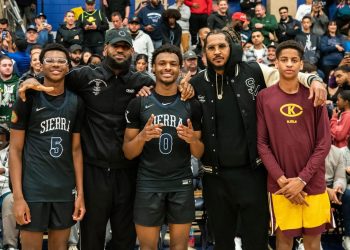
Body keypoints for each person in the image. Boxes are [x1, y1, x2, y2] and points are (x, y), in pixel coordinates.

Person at [17, 28, 192, 250]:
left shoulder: (143, 82)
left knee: (124, 237)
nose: (120, 51)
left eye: (125, 47)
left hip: (129, 171)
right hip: (93, 172)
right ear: (105, 48)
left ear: (132, 51)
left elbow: (170, 89)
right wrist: (31, 81)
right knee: (92, 236)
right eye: (115, 46)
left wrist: (187, 87)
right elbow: (54, 77)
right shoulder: (84, 76)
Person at [189, 29, 326, 250]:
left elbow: (287, 73)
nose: (216, 52)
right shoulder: (196, 83)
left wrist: (314, 79)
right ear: (204, 53)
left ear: (232, 49)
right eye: (211, 48)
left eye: (221, 47)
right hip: (215, 177)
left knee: (256, 241)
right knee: (222, 243)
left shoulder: (255, 71)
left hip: (252, 174)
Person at [123, 44, 203, 250]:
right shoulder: (138, 103)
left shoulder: (191, 104)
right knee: (148, 247)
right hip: (149, 183)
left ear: (180, 68)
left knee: (179, 247)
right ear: (153, 68)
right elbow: (128, 152)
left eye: (173, 64)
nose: (167, 68)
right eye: (162, 63)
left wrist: (191, 140)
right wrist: (142, 136)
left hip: (181, 183)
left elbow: (199, 152)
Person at [9, 43, 86, 250]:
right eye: (49, 60)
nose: (55, 64)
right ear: (40, 66)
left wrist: (80, 194)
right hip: (33, 190)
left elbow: (76, 150)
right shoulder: (27, 97)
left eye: (61, 61)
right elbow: (15, 150)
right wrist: (18, 197)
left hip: (63, 189)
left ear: (68, 67)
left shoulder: (76, 102)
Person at [257, 40, 331, 250]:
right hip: (280, 185)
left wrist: (302, 179)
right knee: (284, 241)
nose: (289, 64)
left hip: (313, 182)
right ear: (276, 64)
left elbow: (324, 143)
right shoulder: (264, 97)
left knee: (313, 243)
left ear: (301, 65)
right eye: (284, 60)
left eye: (294, 60)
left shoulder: (315, 94)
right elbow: (262, 143)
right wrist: (283, 181)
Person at [0, 124, 19, 250]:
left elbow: (18, 170)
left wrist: (4, 170)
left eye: (2, 135)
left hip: (7, 189)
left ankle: (10, 245)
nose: (0, 139)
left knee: (10, 202)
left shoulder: (14, 150)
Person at [0, 56, 19, 125]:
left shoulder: (19, 82)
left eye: (10, 65)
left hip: (14, 124)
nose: (8, 67)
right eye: (4, 65)